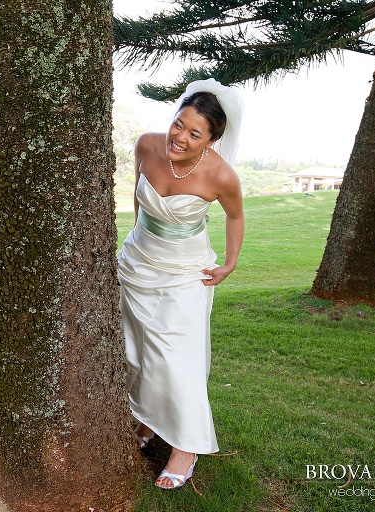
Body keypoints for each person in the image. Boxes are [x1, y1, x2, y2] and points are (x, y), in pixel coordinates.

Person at [117, 79, 244, 489]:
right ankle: (148, 421)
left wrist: (229, 263)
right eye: (179, 124)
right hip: (137, 264)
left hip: (186, 274)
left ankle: (186, 448)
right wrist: (137, 231)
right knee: (135, 351)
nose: (181, 137)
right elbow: (140, 195)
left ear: (211, 140)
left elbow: (236, 216)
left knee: (178, 358)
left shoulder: (221, 174)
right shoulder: (146, 145)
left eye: (195, 134)